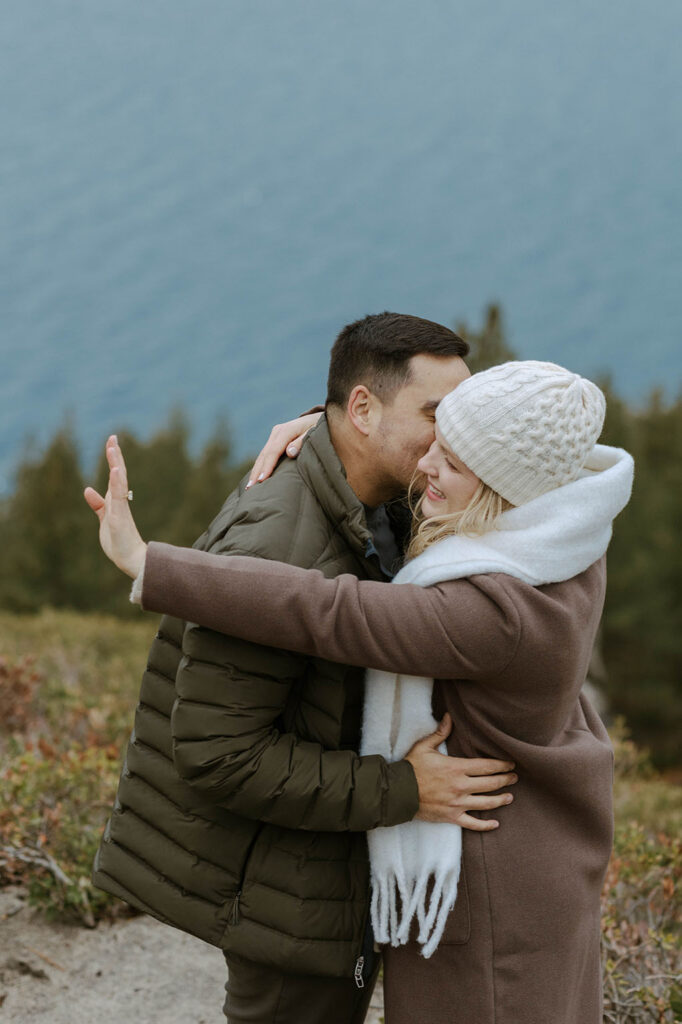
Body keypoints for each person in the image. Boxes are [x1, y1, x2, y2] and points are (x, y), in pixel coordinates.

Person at [86, 360, 634, 1024]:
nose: (427, 465)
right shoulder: (562, 534)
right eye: (434, 438)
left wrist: (148, 562)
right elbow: (514, 437)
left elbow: (324, 612)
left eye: (452, 462)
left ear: (498, 492)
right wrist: (336, 426)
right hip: (544, 852)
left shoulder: (493, 614)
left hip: (487, 888)